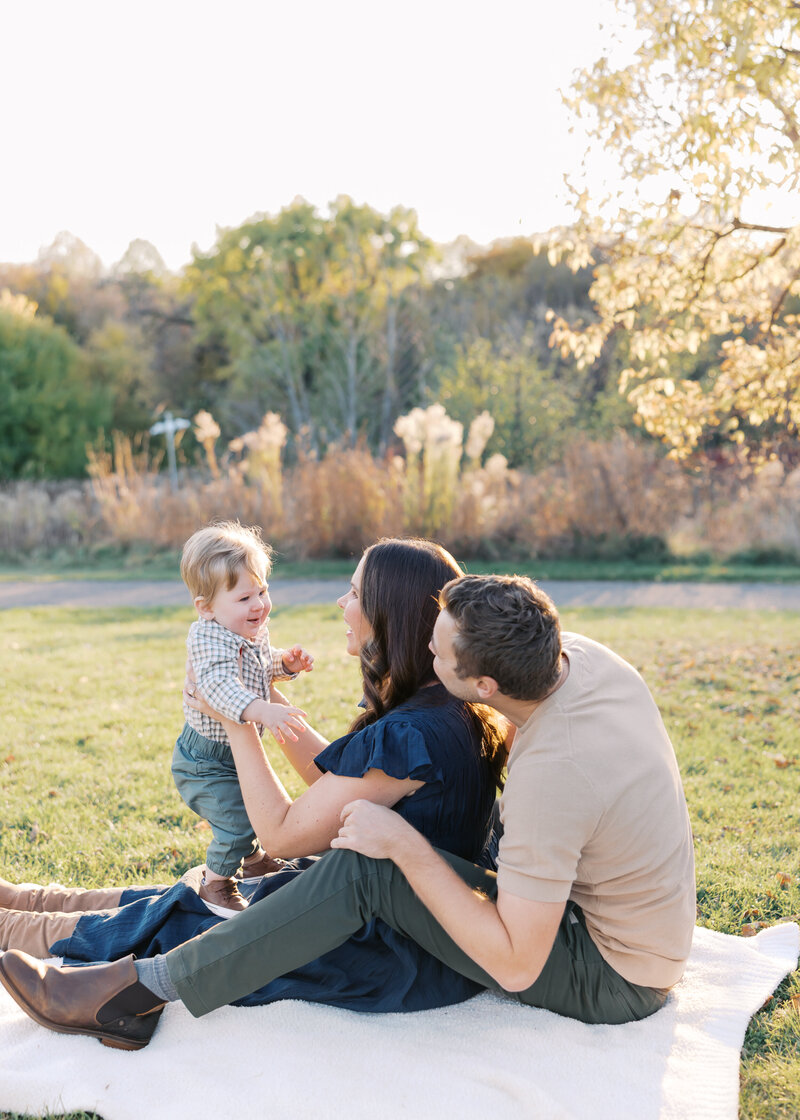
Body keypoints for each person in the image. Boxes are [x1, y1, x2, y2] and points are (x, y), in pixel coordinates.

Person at [0, 573, 695, 1050]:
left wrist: (404, 845)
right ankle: (83, 947)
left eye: (438, 651)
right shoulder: (579, 660)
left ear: (484, 683)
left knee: (370, 867)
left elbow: (517, 963)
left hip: (612, 975)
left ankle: (134, 994)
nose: (424, 647)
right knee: (351, 865)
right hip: (608, 916)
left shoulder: (554, 775)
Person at [0, 542, 506, 1046]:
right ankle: (27, 901)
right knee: (197, 897)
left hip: (392, 951)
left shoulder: (418, 731)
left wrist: (237, 724)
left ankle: (11, 930)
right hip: (395, 917)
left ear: (388, 612)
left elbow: (283, 835)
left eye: (353, 592)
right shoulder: (443, 708)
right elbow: (342, 790)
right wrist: (254, 694)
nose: (340, 604)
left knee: (185, 921)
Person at [174, 521, 313, 910]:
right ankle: (216, 884)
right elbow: (218, 689)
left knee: (254, 808)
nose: (259, 605)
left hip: (232, 756)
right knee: (235, 822)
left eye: (263, 591)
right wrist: (264, 709)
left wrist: (284, 664)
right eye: (244, 598)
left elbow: (259, 667)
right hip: (203, 761)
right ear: (206, 607)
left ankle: (254, 864)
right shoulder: (206, 638)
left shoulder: (248, 627)